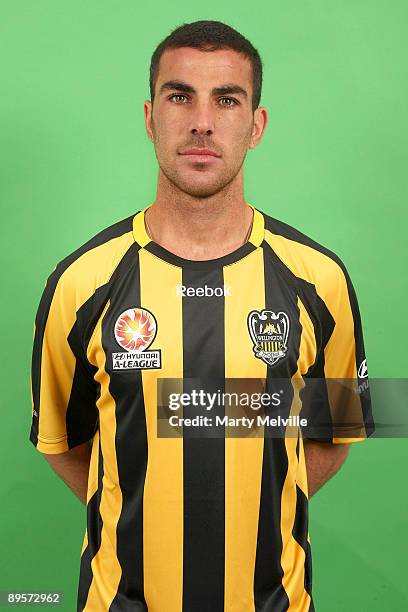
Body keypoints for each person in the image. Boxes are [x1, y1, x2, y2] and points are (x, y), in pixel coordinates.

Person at [29, 20, 374, 612]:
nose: (202, 122)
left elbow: (337, 433)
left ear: (256, 125)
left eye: (227, 99)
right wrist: (146, 499)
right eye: (180, 95)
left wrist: (256, 503)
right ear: (149, 116)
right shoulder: (80, 283)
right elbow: (63, 442)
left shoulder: (322, 281)